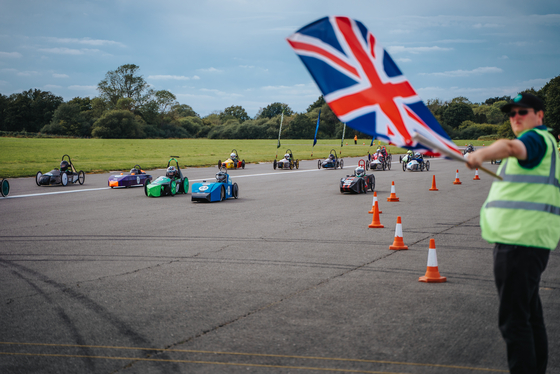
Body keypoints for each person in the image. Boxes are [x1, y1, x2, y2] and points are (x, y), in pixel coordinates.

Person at [466, 93, 560, 374]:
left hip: (518, 242)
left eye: (523, 111)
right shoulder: (548, 143)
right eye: (511, 113)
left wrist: (480, 154)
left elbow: (509, 146)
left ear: (539, 115)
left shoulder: (534, 139)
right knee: (530, 318)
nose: (516, 117)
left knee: (514, 322)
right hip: (531, 241)